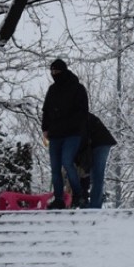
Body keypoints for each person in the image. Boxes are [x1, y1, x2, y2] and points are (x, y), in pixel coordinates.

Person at [41, 59, 89, 209]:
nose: (55, 74)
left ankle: (78, 194)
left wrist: (73, 125)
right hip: (55, 134)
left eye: (57, 72)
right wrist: (45, 128)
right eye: (52, 72)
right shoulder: (52, 90)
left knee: (67, 162)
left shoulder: (77, 88)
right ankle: (59, 198)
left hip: (72, 133)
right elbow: (46, 111)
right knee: (55, 167)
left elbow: (82, 112)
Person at [75, 113, 117, 209]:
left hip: (101, 143)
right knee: (92, 174)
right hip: (93, 143)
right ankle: (90, 203)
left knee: (97, 174)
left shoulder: (78, 118)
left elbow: (81, 141)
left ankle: (95, 205)